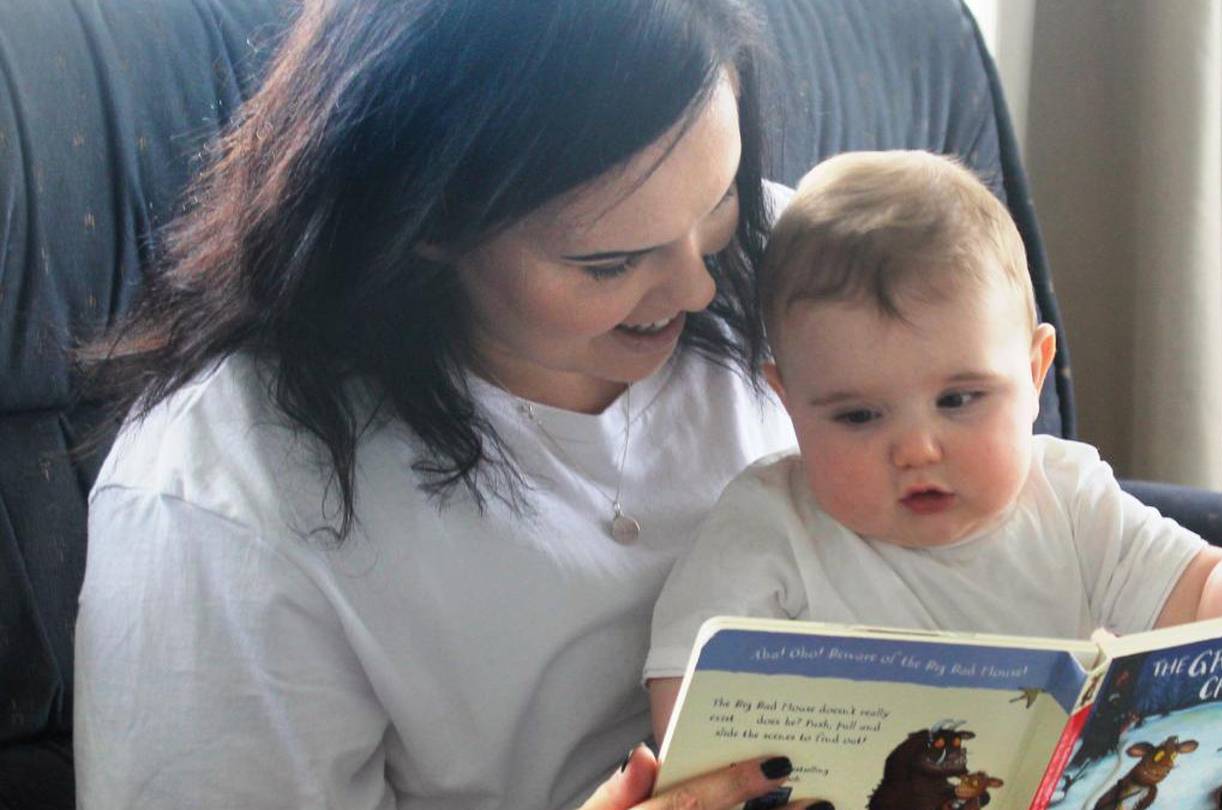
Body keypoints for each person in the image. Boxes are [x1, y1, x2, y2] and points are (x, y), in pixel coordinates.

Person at [74, 2, 821, 808]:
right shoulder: (223, 503)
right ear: (424, 218)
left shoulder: (805, 268)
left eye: (716, 208)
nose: (698, 286)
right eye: (610, 263)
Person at [644, 151, 1222, 810]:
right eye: (856, 417)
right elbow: (692, 709)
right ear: (788, 403)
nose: (916, 448)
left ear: (1035, 370)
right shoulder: (766, 523)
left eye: (958, 400)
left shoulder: (1070, 495)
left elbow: (1211, 583)